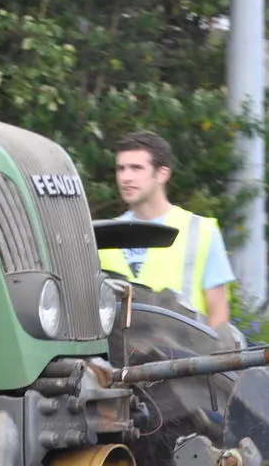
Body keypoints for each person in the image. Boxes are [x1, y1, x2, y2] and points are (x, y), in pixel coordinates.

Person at [98, 129, 235, 330]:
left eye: (136, 168)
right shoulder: (103, 235)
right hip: (117, 356)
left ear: (162, 174)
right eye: (121, 169)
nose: (126, 177)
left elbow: (219, 319)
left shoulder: (201, 231)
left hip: (186, 356)